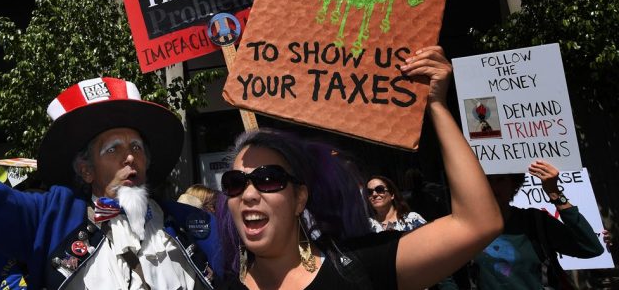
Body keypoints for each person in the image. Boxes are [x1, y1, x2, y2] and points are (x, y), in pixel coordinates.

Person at [0, 28, 221, 289]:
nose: (130, 158)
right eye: (113, 149)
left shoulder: (195, 225)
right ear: (86, 170)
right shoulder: (50, 219)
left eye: (137, 147)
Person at [217, 46, 503, 289]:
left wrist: (436, 105)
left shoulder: (361, 266)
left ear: (299, 199)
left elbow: (478, 223)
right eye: (235, 183)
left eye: (268, 178)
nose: (249, 194)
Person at [462, 160, 604, 289]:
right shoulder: (462, 227)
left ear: (513, 184)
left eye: (500, 179)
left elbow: (591, 248)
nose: (493, 187)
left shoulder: (536, 221)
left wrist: (554, 193)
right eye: (487, 180)